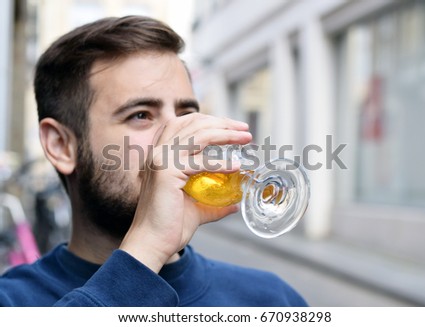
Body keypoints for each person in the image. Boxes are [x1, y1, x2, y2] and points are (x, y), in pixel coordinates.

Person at [0, 15, 307, 307]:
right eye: (141, 115)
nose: (180, 138)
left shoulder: (271, 299)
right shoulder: (12, 301)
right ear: (61, 146)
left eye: (187, 116)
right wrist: (146, 249)